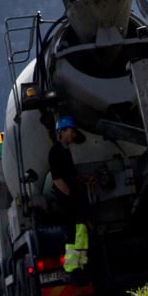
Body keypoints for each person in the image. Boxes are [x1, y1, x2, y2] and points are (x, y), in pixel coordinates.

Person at [48, 115, 91, 276]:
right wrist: (71, 197)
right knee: (73, 235)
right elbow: (58, 179)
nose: (73, 135)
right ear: (62, 132)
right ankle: (73, 269)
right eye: (71, 131)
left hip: (73, 201)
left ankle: (81, 265)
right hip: (67, 203)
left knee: (81, 232)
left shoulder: (65, 152)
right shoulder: (56, 152)